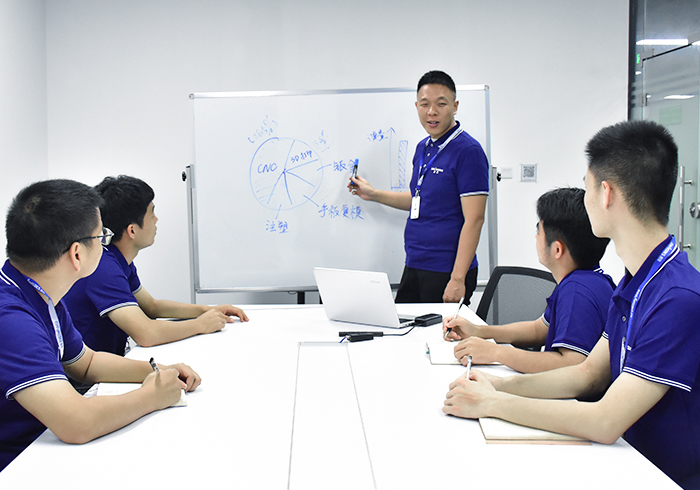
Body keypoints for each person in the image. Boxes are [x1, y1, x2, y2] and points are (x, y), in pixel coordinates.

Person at [443, 120, 700, 489]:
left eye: (587, 186)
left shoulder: (677, 298)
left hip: (661, 477)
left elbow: (605, 421)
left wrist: (491, 403)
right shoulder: (635, 281)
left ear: (606, 193)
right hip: (624, 459)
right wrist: (499, 386)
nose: (585, 198)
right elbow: (587, 374)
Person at [0, 179, 201, 471]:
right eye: (101, 236)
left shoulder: (39, 294)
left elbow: (86, 363)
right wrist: (152, 396)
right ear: (77, 254)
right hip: (16, 466)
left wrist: (157, 370)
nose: (105, 244)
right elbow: (76, 422)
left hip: (41, 446)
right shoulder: (11, 318)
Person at [63, 175, 249, 356]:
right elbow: (146, 333)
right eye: (151, 213)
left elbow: (151, 307)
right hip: (86, 375)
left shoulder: (117, 259)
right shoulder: (104, 269)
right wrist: (200, 324)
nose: (156, 219)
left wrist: (207, 310)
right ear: (132, 230)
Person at [348, 70, 489, 304]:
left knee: (438, 330)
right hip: (415, 262)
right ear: (417, 106)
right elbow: (420, 200)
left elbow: (475, 219)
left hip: (446, 269)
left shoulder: (468, 151)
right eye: (424, 104)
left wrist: (457, 278)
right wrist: (374, 195)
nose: (431, 111)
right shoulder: (423, 148)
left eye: (441, 104)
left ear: (455, 106)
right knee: (403, 326)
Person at [442, 187, 614, 373]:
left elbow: (572, 365)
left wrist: (496, 353)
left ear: (557, 250)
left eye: (539, 230)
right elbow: (537, 330)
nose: (536, 236)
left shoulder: (577, 291)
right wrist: (478, 331)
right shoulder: (588, 280)